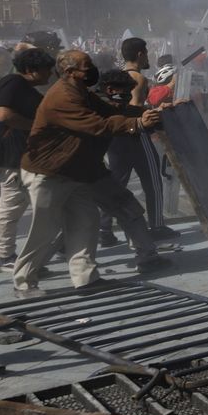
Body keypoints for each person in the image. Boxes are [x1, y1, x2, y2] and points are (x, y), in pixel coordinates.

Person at [12, 51, 162, 298]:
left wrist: (150, 113)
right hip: (50, 172)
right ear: (70, 72)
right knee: (45, 230)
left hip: (76, 171)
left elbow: (110, 111)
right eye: (86, 66)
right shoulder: (62, 97)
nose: (91, 69)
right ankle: (23, 282)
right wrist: (137, 124)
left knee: (86, 222)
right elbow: (97, 125)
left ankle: (85, 279)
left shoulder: (81, 92)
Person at [92, 69, 173, 271]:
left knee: (125, 208)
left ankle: (146, 255)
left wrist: (156, 113)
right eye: (124, 93)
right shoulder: (95, 108)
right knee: (81, 217)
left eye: (130, 93)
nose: (127, 98)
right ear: (110, 90)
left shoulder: (113, 105)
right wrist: (137, 123)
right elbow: (117, 122)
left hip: (93, 169)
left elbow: (130, 113)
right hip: (78, 171)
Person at [99, 37, 175, 243]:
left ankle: (104, 229)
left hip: (116, 137)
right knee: (153, 181)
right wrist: (155, 111)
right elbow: (132, 109)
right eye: (146, 53)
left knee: (117, 184)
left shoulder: (117, 77)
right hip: (135, 135)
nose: (148, 57)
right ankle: (157, 226)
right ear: (140, 54)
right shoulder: (137, 78)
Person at [0, 48, 56, 270]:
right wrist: (37, 127)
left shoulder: (18, 85)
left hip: (24, 156)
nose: (49, 73)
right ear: (31, 70)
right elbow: (4, 115)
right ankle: (6, 255)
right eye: (46, 69)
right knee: (11, 206)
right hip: (14, 157)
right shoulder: (13, 83)